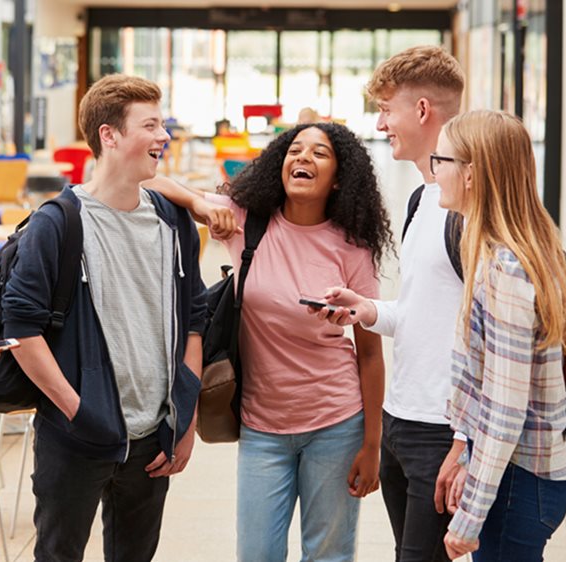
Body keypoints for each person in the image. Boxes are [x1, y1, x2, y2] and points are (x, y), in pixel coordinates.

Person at [148, 121, 392, 561]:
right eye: (295, 150)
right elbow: (150, 180)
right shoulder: (247, 222)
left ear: (338, 179)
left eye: (319, 154)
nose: (303, 158)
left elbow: (370, 354)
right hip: (262, 426)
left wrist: (372, 445)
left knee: (329, 555)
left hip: (336, 422)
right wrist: (200, 205)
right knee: (257, 554)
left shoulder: (352, 248)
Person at [1, 74, 207, 562]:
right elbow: (21, 330)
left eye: (163, 124)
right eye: (151, 125)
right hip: (76, 437)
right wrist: (79, 413)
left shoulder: (174, 222)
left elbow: (195, 321)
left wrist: (185, 416)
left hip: (154, 438)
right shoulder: (58, 223)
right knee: (58, 554)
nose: (164, 136)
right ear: (109, 136)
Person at [321, 45, 468, 562]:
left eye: (387, 109)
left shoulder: (468, 210)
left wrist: (465, 443)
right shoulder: (423, 198)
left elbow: (493, 333)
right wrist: (368, 308)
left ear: (422, 110)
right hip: (402, 419)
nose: (381, 123)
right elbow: (423, 311)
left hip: (443, 428)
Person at [433, 110, 566, 560]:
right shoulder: (513, 252)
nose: (435, 171)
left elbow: (505, 408)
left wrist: (471, 515)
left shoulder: (506, 270)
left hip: (520, 483)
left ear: (472, 174)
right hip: (519, 475)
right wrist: (465, 454)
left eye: (442, 160)